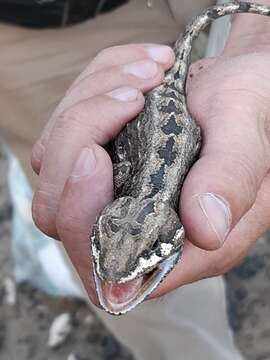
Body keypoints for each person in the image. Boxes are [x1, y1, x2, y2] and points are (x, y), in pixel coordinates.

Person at [1, 0, 270, 359]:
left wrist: (259, 41)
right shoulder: (131, 194)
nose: (113, 268)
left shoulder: (155, 203)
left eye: (146, 252)